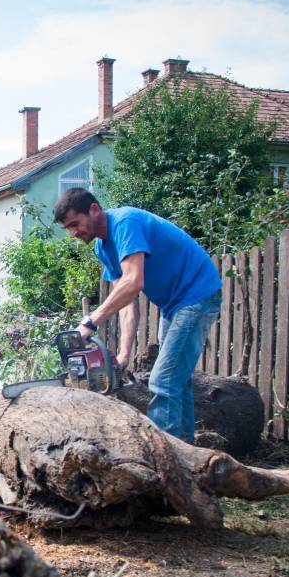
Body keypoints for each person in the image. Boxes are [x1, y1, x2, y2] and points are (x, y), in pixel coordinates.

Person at [53, 188, 221, 442]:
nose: (74, 233)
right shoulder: (103, 247)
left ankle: (166, 458)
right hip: (174, 305)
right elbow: (127, 302)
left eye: (76, 224)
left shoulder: (125, 223)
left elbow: (134, 282)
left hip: (196, 295)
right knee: (177, 380)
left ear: (94, 209)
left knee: (163, 381)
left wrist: (90, 322)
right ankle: (187, 451)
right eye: (68, 229)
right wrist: (123, 355)